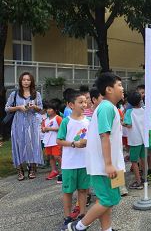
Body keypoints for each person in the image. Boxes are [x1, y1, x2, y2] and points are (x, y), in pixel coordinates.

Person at [67, 73, 125, 231]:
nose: (122, 88)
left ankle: (106, 229)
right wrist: (108, 164)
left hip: (111, 163)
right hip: (104, 165)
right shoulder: (106, 107)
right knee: (107, 199)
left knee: (106, 199)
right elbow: (104, 136)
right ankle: (78, 226)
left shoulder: (109, 107)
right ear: (109, 89)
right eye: (119, 85)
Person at [56, 91, 90, 230]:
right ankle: (67, 216)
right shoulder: (66, 121)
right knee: (68, 191)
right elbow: (59, 140)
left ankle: (82, 216)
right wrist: (74, 144)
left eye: (85, 102)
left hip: (84, 162)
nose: (84, 104)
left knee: (83, 190)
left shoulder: (88, 121)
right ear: (71, 105)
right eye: (80, 102)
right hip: (69, 163)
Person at [5, 72, 43, 180]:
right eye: (24, 80)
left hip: (32, 122)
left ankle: (32, 168)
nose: (26, 82)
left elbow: (41, 109)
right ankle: (20, 170)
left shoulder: (37, 94)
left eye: (28, 80)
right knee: (18, 144)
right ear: (20, 81)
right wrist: (18, 107)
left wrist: (34, 106)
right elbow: (7, 108)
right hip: (18, 122)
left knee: (32, 144)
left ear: (31, 81)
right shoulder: (14, 94)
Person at [122, 92, 145, 190]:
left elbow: (129, 125)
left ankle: (138, 182)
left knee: (134, 161)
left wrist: (122, 123)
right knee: (143, 159)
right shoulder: (144, 110)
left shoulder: (129, 112)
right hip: (144, 139)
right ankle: (144, 178)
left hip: (134, 140)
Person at [42, 99, 63, 181]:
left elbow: (62, 128)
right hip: (48, 141)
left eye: (50, 109)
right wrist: (44, 129)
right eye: (47, 109)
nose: (48, 110)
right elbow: (42, 129)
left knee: (57, 156)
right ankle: (54, 170)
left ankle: (64, 170)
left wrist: (50, 128)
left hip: (56, 140)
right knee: (50, 156)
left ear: (55, 110)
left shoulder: (58, 118)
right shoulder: (45, 120)